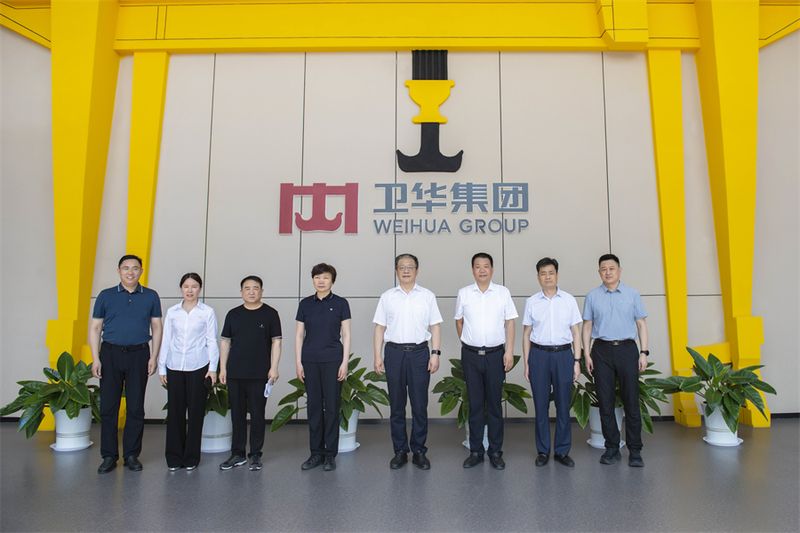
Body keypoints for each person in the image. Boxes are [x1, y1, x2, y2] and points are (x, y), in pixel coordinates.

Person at [90, 254, 163, 474]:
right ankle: (109, 456)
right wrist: (96, 358)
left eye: (135, 268)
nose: (130, 272)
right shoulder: (106, 296)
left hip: (139, 354)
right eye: (126, 268)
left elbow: (157, 327)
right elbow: (95, 328)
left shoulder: (150, 296)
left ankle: (131, 454)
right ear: (119, 271)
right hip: (110, 354)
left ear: (141, 271)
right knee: (108, 407)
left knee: (135, 407)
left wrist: (154, 356)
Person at [373, 254, 443, 470]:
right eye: (401, 267)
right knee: (397, 405)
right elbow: (379, 328)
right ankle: (400, 451)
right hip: (394, 353)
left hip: (420, 353)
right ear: (396, 270)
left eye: (410, 267)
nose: (406, 270)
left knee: (419, 405)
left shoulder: (427, 296)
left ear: (417, 270)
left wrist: (435, 353)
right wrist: (377, 355)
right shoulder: (387, 297)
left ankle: (419, 451)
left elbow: (435, 326)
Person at [581, 253, 649, 467]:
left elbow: (641, 324)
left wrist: (644, 352)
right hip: (601, 350)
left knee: (631, 401)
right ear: (599, 272)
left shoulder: (632, 294)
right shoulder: (592, 296)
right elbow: (587, 326)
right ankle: (611, 448)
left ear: (619, 271)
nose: (608, 272)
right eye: (603, 269)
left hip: (627, 349)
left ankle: (635, 450)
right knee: (605, 401)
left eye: (611, 268)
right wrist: (587, 354)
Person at [455, 252, 517, 470]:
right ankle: (476, 451)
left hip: (495, 355)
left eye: (486, 266)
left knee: (494, 405)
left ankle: (495, 452)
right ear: (472, 270)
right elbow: (459, 322)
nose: (482, 270)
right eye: (477, 266)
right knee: (474, 405)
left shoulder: (502, 293)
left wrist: (509, 352)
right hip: (471, 356)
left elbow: (510, 323)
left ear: (492, 269)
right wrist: (468, 341)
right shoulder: (464, 293)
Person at [522, 257, 582, 468]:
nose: (547, 277)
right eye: (543, 273)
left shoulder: (569, 300)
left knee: (563, 405)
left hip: (563, 355)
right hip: (539, 356)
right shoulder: (532, 301)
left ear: (557, 275)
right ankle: (543, 450)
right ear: (538, 277)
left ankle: (562, 451)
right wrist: (527, 363)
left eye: (551, 273)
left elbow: (576, 332)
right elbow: (526, 333)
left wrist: (577, 360)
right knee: (540, 405)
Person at [219, 275, 282, 472]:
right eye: (247, 288)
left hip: (260, 373)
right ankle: (237, 454)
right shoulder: (233, 314)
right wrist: (223, 368)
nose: (252, 292)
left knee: (257, 415)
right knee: (237, 415)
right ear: (241, 292)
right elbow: (225, 341)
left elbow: (276, 342)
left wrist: (274, 367)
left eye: (256, 288)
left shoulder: (270, 313)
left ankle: (255, 454)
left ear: (262, 291)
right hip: (235, 373)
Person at [158, 273, 219, 471]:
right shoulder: (172, 312)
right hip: (174, 366)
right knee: (175, 412)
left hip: (198, 367)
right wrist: (162, 367)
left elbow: (212, 341)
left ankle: (191, 457)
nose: (190, 290)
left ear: (200, 289)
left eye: (194, 286)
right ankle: (174, 457)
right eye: (186, 286)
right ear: (181, 288)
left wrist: (212, 368)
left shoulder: (207, 312)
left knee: (195, 412)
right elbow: (166, 340)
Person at [296, 263, 351, 472]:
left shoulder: (341, 303)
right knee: (314, 407)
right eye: (317, 277)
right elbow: (299, 335)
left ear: (332, 281)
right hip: (310, 360)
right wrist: (299, 362)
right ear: (313, 280)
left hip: (333, 360)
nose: (321, 281)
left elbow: (346, 334)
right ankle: (316, 453)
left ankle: (330, 455)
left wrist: (344, 362)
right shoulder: (305, 304)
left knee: (332, 407)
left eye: (325, 277)